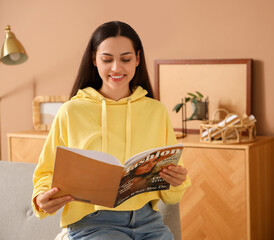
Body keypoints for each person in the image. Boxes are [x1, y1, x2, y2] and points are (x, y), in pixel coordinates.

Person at [32, 21, 191, 240]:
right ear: (94, 60)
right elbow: (46, 172)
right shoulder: (71, 111)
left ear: (137, 58)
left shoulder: (156, 111)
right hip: (92, 223)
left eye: (125, 59)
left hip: (148, 221)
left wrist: (177, 180)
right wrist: (41, 199)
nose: (116, 68)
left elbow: (172, 192)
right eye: (107, 59)